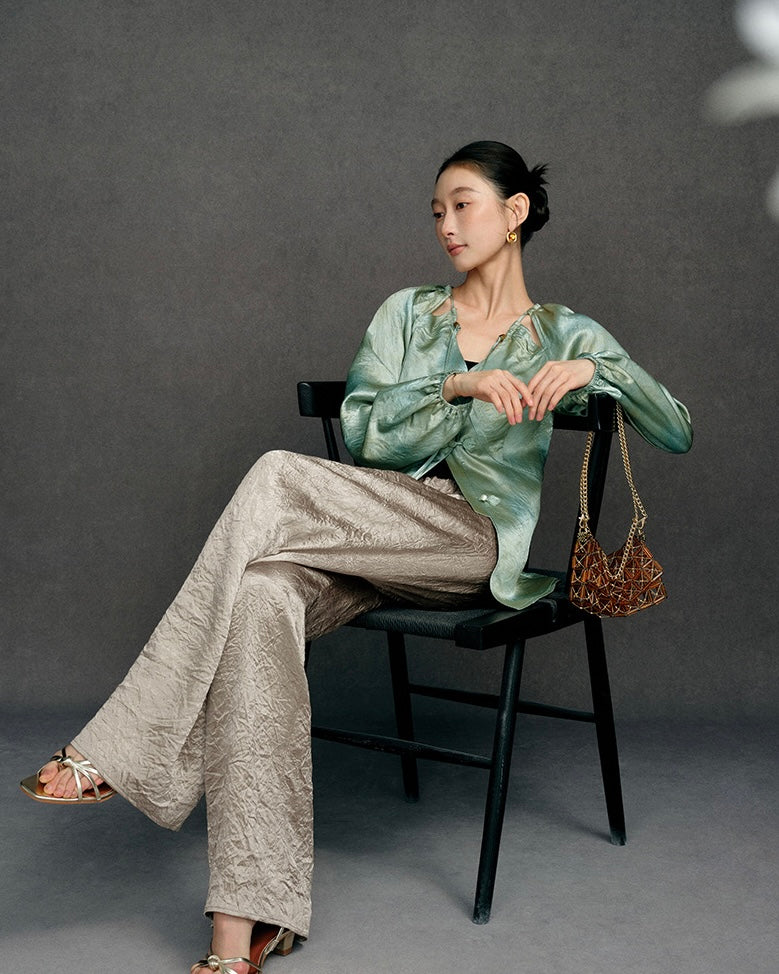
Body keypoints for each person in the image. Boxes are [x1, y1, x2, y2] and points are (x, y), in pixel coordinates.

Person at [20, 140, 692, 973]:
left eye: (463, 204)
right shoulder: (405, 314)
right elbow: (368, 434)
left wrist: (597, 368)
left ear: (515, 212)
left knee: (276, 473)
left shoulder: (563, 332)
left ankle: (119, 749)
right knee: (261, 594)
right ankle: (250, 919)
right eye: (436, 211)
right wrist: (454, 385)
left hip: (470, 542)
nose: (445, 224)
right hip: (367, 532)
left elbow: (676, 429)